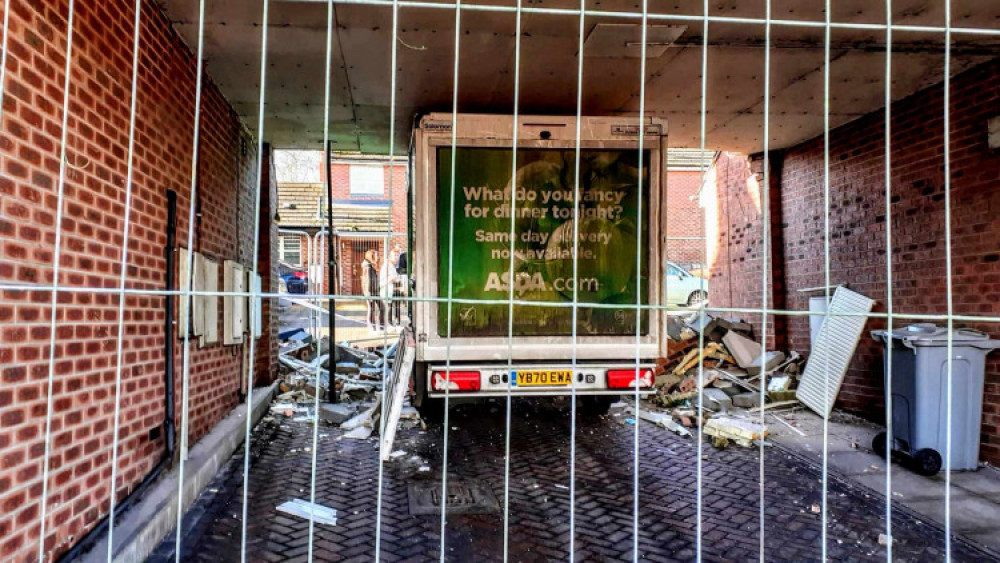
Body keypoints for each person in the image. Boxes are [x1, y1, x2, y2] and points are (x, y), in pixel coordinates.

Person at [361, 249, 384, 331]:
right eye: (376, 255)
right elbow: (367, 281)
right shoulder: (368, 267)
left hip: (374, 291)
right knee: (372, 309)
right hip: (371, 292)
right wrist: (369, 294)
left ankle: (379, 326)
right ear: (372, 256)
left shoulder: (370, 266)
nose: (377, 257)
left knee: (380, 307)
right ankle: (372, 327)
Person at [380, 247, 401, 327]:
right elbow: (391, 278)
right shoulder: (387, 265)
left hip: (391, 289)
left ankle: (392, 324)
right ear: (390, 256)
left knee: (391, 307)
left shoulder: (392, 265)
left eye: (397, 256)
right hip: (386, 289)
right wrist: (394, 279)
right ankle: (388, 325)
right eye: (395, 256)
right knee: (388, 308)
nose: (397, 258)